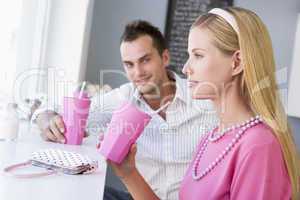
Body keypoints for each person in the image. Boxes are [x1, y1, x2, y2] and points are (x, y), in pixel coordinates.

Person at [108, 7, 300, 200]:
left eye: (198, 55)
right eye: (189, 55)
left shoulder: (258, 146)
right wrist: (128, 173)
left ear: (237, 62)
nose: (186, 68)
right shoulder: (210, 138)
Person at [33, 20, 217, 199]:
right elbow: (54, 111)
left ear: (165, 57)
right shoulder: (122, 99)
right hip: (138, 196)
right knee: (78, 191)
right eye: (129, 64)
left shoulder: (203, 97)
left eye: (145, 60)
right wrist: (46, 117)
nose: (138, 72)